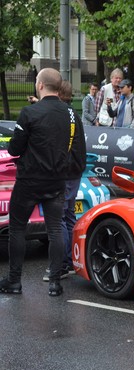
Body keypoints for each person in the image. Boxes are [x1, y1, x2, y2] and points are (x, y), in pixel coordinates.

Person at [0, 68, 86, 297]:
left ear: (39, 85)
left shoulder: (30, 112)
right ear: (58, 87)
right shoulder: (71, 114)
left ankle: (14, 281)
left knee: (17, 228)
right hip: (57, 180)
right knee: (55, 229)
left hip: (29, 180)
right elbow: (79, 151)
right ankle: (55, 283)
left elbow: (15, 148)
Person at [42, 80, 87, 282]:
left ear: (58, 93)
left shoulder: (60, 114)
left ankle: (59, 266)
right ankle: (69, 261)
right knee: (69, 216)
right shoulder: (73, 114)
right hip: (74, 171)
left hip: (63, 172)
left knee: (58, 219)